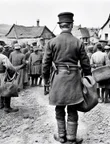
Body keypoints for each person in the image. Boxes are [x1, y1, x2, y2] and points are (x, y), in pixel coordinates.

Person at [43, 12, 91, 143]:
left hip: (58, 77)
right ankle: (71, 137)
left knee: (59, 106)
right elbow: (85, 63)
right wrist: (88, 77)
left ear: (60, 26)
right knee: (73, 106)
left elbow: (46, 63)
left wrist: (45, 79)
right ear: (71, 25)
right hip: (74, 78)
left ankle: (61, 136)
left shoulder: (52, 42)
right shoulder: (78, 42)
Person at [0, 45, 18, 113]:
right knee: (7, 90)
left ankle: (1, 104)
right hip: (3, 75)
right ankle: (7, 107)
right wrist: (14, 72)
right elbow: (9, 66)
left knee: (0, 89)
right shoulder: (4, 57)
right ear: (2, 50)